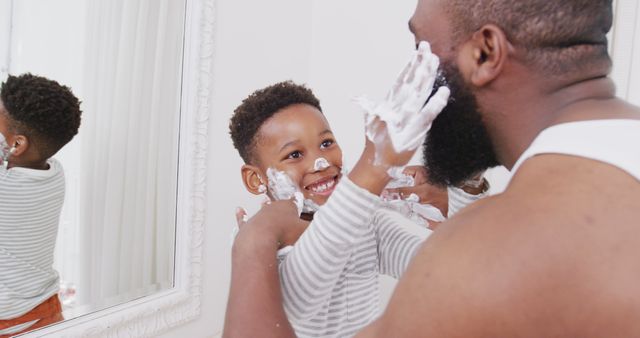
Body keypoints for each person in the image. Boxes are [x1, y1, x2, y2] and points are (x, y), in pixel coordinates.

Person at [223, 0, 640, 337]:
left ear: (485, 52)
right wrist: (464, 187)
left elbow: (433, 258)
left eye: (421, 46)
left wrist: (253, 242)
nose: (319, 159)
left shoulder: (490, 250)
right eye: (294, 154)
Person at [228, 75, 478, 337]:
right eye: (294, 155)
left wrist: (466, 181)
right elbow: (298, 302)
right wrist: (372, 171)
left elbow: (445, 270)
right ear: (255, 178)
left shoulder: (366, 225)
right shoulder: (259, 237)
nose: (322, 163)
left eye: (326, 143)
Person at [0, 74, 82, 337]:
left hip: (8, 321)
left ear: (17, 144)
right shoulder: (53, 173)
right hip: (45, 310)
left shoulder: (6, 189)